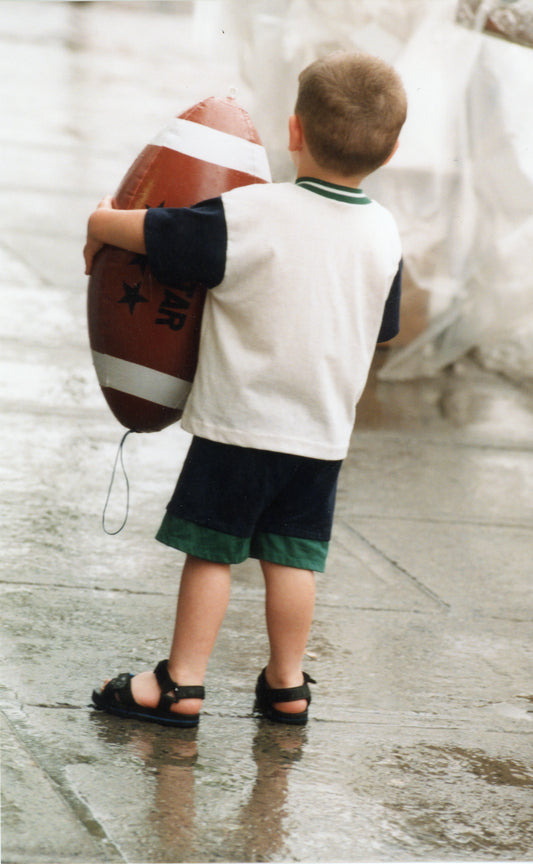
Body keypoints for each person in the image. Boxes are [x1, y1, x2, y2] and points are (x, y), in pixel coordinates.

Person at [85, 51, 407, 727]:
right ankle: (287, 685)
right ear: (392, 148)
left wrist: (100, 222)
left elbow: (156, 235)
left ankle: (179, 684)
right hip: (318, 435)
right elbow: (381, 331)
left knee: (212, 551)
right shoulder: (384, 233)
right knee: (294, 558)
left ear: (293, 132)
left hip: (239, 427)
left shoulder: (249, 213)